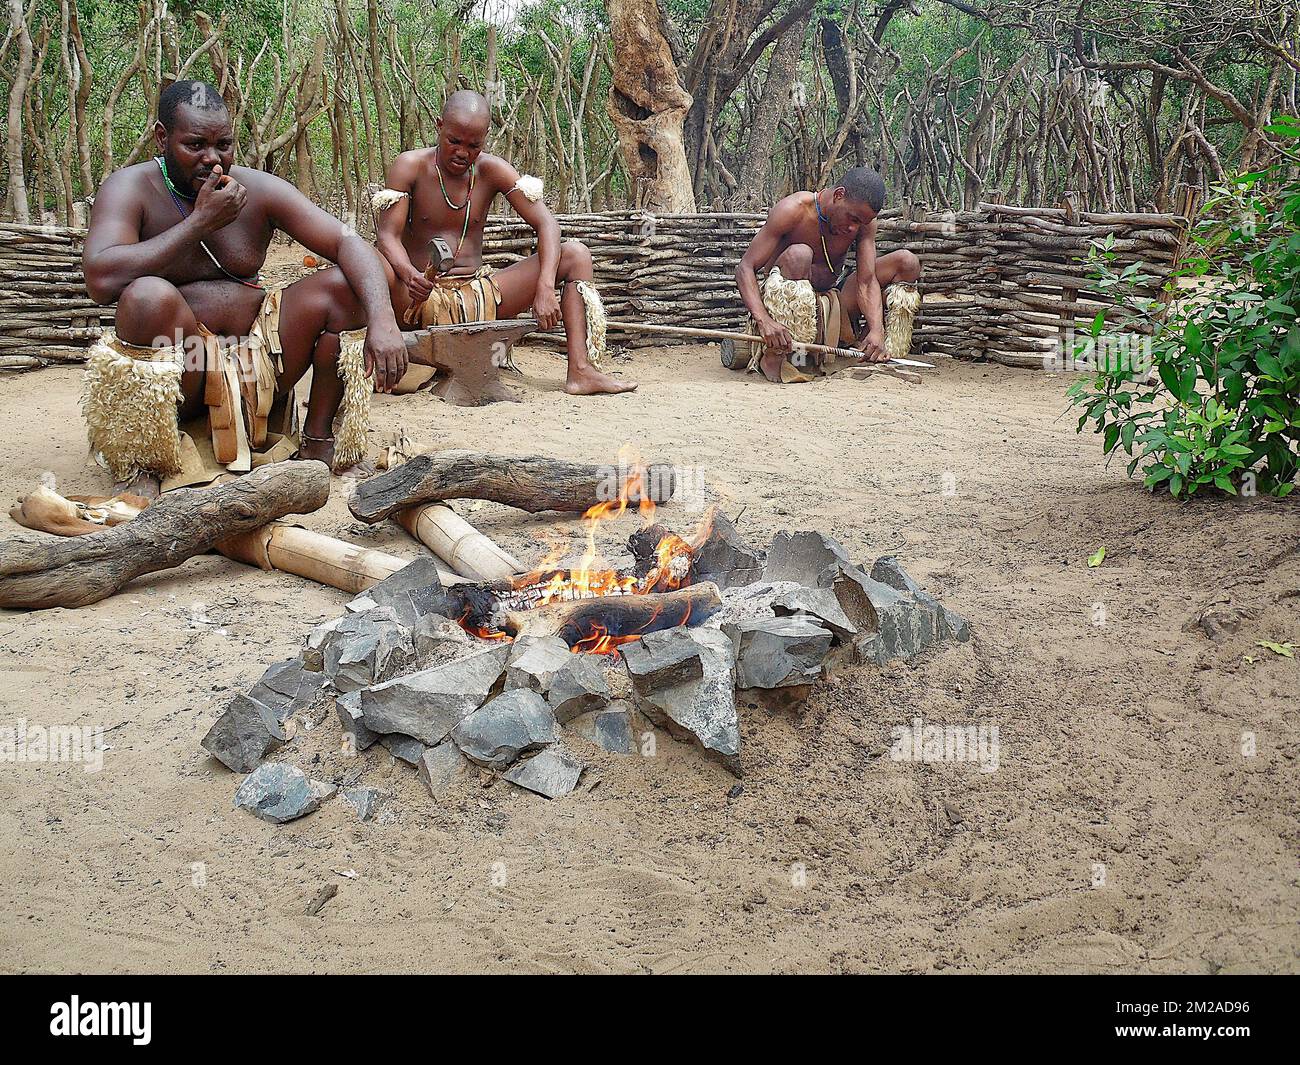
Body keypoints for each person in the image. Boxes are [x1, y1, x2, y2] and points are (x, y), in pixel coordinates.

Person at [82, 79, 408, 497]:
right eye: (195, 145)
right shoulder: (129, 188)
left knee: (348, 285)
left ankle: (318, 440)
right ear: (162, 138)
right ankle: (144, 461)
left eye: (224, 145)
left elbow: (347, 242)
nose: (212, 160)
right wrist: (198, 223)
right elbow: (100, 279)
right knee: (147, 296)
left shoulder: (258, 189)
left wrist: (383, 319)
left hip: (262, 366)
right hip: (184, 376)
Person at [373, 90, 634, 396]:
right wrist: (408, 274)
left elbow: (546, 223)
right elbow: (387, 236)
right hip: (418, 300)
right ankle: (380, 352)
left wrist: (546, 287)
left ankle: (580, 371)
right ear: (439, 125)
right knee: (373, 261)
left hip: (480, 298)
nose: (462, 152)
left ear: (484, 140)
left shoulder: (492, 169)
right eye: (454, 141)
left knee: (576, 255)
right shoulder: (410, 166)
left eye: (473, 146)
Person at [735, 168, 921, 381]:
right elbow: (745, 268)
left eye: (861, 222)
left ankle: (866, 347)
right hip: (785, 309)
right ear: (839, 195)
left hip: (833, 302)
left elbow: (867, 280)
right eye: (852, 218)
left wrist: (877, 330)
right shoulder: (794, 209)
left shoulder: (863, 225)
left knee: (907, 262)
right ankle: (777, 355)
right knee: (800, 254)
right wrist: (765, 321)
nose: (854, 228)